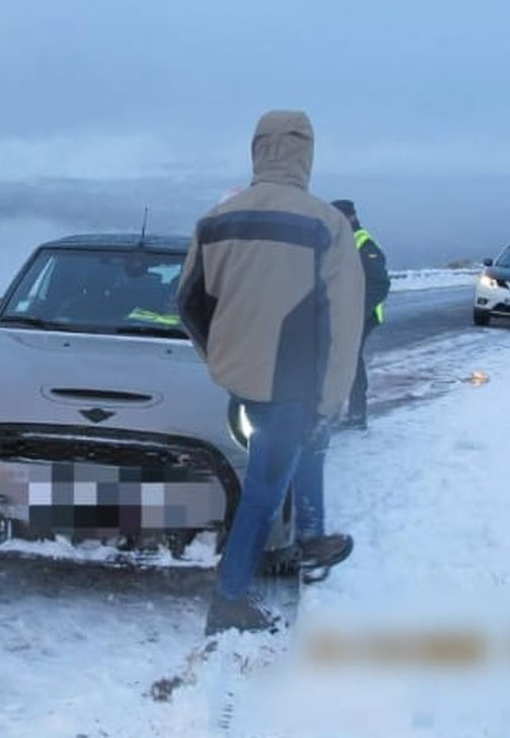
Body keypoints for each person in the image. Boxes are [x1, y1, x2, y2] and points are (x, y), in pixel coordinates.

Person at [178, 110, 365, 635]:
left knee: (296, 455)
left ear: (258, 149)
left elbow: (188, 302)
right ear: (306, 153)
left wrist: (221, 357)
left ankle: (311, 538)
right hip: (294, 386)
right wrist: (330, 398)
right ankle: (228, 601)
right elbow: (343, 324)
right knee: (262, 493)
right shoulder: (326, 224)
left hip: (244, 381)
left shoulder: (216, 220)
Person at [331, 199, 390, 430]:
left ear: (350, 218)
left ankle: (357, 414)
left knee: (350, 361)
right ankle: (337, 412)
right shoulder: (338, 241)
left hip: (363, 316)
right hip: (343, 314)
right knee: (338, 361)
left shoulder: (363, 243)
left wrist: (357, 312)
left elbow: (380, 284)